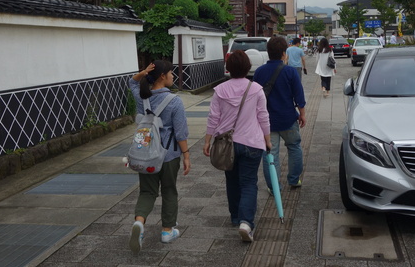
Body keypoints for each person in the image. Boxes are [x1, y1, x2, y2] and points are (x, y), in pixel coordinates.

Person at [203, 50, 271, 243]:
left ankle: (235, 216)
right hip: (252, 142)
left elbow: (213, 118)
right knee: (249, 182)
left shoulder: (219, 90)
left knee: (231, 180)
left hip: (226, 144)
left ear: (228, 68)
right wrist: (267, 139)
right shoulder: (256, 89)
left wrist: (207, 141)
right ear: (248, 67)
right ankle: (246, 222)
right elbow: (263, 116)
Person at [128, 61, 191, 255]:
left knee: (147, 192)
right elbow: (180, 133)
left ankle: (139, 223)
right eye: (171, 73)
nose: (174, 76)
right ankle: (167, 231)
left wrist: (143, 73)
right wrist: (186, 155)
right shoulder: (175, 101)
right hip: (168, 155)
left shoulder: (142, 98)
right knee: (170, 190)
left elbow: (132, 83)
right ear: (163, 76)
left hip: (146, 155)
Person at [253, 37, 307, 194]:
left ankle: (273, 186)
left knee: (270, 154)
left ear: (268, 53)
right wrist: (302, 114)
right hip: (288, 118)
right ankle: (294, 179)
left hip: (266, 122)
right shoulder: (290, 71)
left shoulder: (259, 72)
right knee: (294, 147)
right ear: (284, 53)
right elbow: (299, 96)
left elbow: (255, 97)